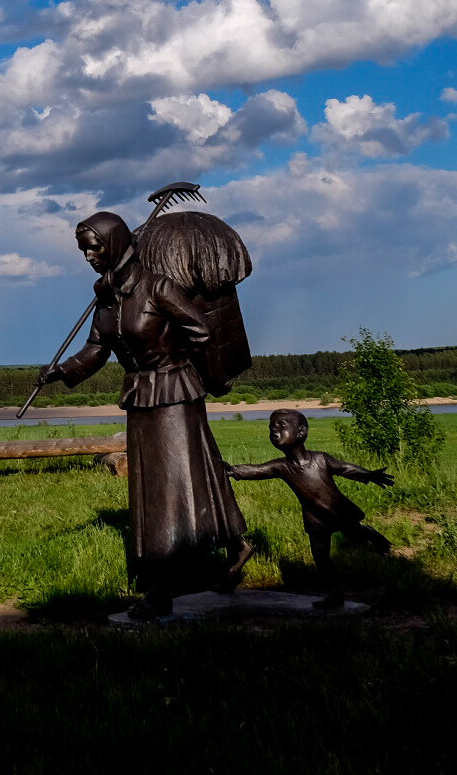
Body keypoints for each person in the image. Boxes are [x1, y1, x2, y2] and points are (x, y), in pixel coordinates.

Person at [40, 210, 251, 618]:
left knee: (169, 485)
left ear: (115, 243)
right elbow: (96, 351)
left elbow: (201, 329)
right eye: (84, 250)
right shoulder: (106, 299)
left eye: (94, 247)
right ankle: (235, 544)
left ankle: (162, 586)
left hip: (174, 392)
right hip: (140, 396)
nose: (88, 256)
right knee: (170, 478)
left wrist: (188, 364)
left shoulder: (158, 288)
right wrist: (62, 371)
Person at [226, 409, 395, 609]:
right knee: (321, 557)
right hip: (315, 518)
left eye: (281, 425)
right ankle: (334, 595)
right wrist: (232, 470)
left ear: (301, 432)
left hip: (337, 510)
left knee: (356, 534)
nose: (274, 430)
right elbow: (256, 470)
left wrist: (369, 475)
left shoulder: (321, 459)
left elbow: (345, 468)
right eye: (271, 426)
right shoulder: (282, 466)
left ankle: (371, 534)